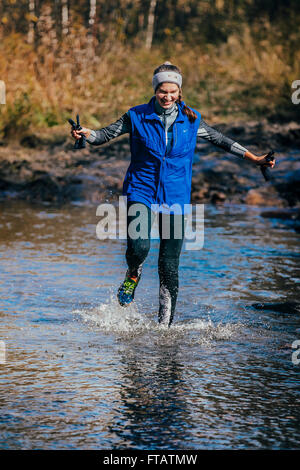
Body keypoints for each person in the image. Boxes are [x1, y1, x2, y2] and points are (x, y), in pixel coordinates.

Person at [71, 62, 275, 327]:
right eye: (162, 91)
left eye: (172, 92)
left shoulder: (191, 120)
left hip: (176, 195)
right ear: (155, 90)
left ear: (179, 92)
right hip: (141, 189)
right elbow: (104, 135)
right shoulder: (136, 116)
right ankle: (133, 274)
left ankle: (164, 327)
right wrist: (87, 133)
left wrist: (255, 158)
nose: (167, 97)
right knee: (139, 246)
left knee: (169, 265)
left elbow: (222, 141)